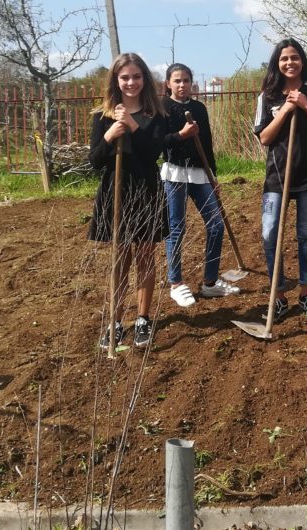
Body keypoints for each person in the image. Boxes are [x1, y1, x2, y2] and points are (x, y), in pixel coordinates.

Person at [252, 38, 307, 322]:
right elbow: (264, 138)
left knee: (305, 234)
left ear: (302, 61)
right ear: (277, 63)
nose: (290, 63)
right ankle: (278, 296)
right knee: (269, 232)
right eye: (284, 58)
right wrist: (287, 110)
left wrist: (305, 106)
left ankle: (306, 293)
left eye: (295, 57)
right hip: (277, 175)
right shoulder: (268, 96)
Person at [88, 52, 168, 348]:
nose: (131, 82)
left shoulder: (155, 115)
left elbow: (152, 155)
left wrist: (132, 127)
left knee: (145, 254)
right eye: (125, 77)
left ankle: (143, 319)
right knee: (120, 257)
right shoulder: (102, 115)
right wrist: (110, 134)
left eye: (136, 76)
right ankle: (116, 321)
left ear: (144, 79)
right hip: (116, 191)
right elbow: (94, 161)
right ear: (116, 80)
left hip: (146, 188)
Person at [161, 62, 230, 308]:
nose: (182, 85)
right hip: (175, 174)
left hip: (201, 174)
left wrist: (213, 176)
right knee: (176, 229)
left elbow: (207, 143)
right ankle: (176, 284)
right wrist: (181, 135)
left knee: (216, 225)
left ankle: (210, 282)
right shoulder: (162, 107)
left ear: (192, 83)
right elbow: (160, 142)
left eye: (186, 80)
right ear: (168, 83)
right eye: (177, 81)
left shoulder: (199, 108)